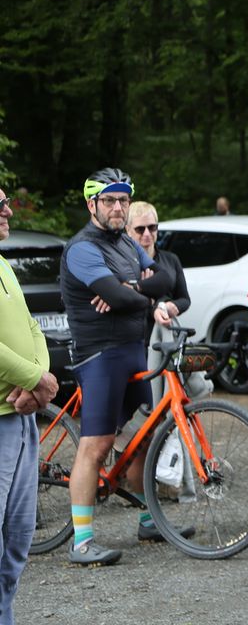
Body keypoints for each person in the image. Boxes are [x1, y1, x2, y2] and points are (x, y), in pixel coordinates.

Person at [60, 169, 176, 565]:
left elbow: (167, 277)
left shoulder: (127, 243)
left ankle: (148, 519)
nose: (118, 207)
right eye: (109, 201)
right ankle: (81, 541)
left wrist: (130, 291)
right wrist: (129, 292)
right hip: (99, 354)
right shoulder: (82, 249)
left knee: (145, 433)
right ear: (92, 205)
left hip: (131, 348)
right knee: (97, 444)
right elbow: (117, 293)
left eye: (123, 200)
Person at [0, 188, 58, 621]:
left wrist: (40, 382)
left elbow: (33, 328)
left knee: (17, 541)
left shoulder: (4, 264)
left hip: (21, 420)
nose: (7, 209)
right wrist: (33, 378)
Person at [126, 202, 199, 405]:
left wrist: (172, 306)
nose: (147, 234)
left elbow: (184, 299)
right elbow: (126, 297)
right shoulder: (124, 263)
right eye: (140, 229)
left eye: (153, 227)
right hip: (136, 340)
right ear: (128, 230)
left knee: (171, 397)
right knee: (143, 403)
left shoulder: (170, 260)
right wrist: (155, 305)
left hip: (166, 336)